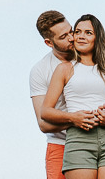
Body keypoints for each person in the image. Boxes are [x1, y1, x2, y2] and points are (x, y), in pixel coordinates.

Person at [41, 14, 105, 179]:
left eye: (88, 32)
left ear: (97, 38)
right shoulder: (64, 69)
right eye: (78, 32)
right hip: (79, 140)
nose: (81, 36)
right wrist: (72, 117)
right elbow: (46, 111)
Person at [29, 10, 87, 179]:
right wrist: (75, 119)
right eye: (63, 37)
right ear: (49, 42)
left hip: (93, 141)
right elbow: (43, 124)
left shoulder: (90, 56)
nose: (71, 38)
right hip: (60, 145)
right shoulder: (40, 70)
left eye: (71, 31)